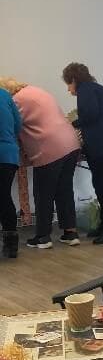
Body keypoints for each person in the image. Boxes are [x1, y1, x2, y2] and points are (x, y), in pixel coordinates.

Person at [0, 78, 81, 249]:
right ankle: (70, 233)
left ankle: (43, 237)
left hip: (50, 147)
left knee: (43, 192)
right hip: (71, 142)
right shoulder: (37, 91)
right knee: (64, 190)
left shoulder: (16, 100)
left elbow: (15, 126)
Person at [61, 63, 103, 244]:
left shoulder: (86, 90)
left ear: (74, 79)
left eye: (68, 83)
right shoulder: (96, 89)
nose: (68, 89)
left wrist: (70, 125)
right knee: (101, 185)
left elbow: (90, 114)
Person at [0, 87, 22, 259]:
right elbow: (18, 124)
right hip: (9, 154)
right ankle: (11, 244)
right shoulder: (5, 94)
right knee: (4, 197)